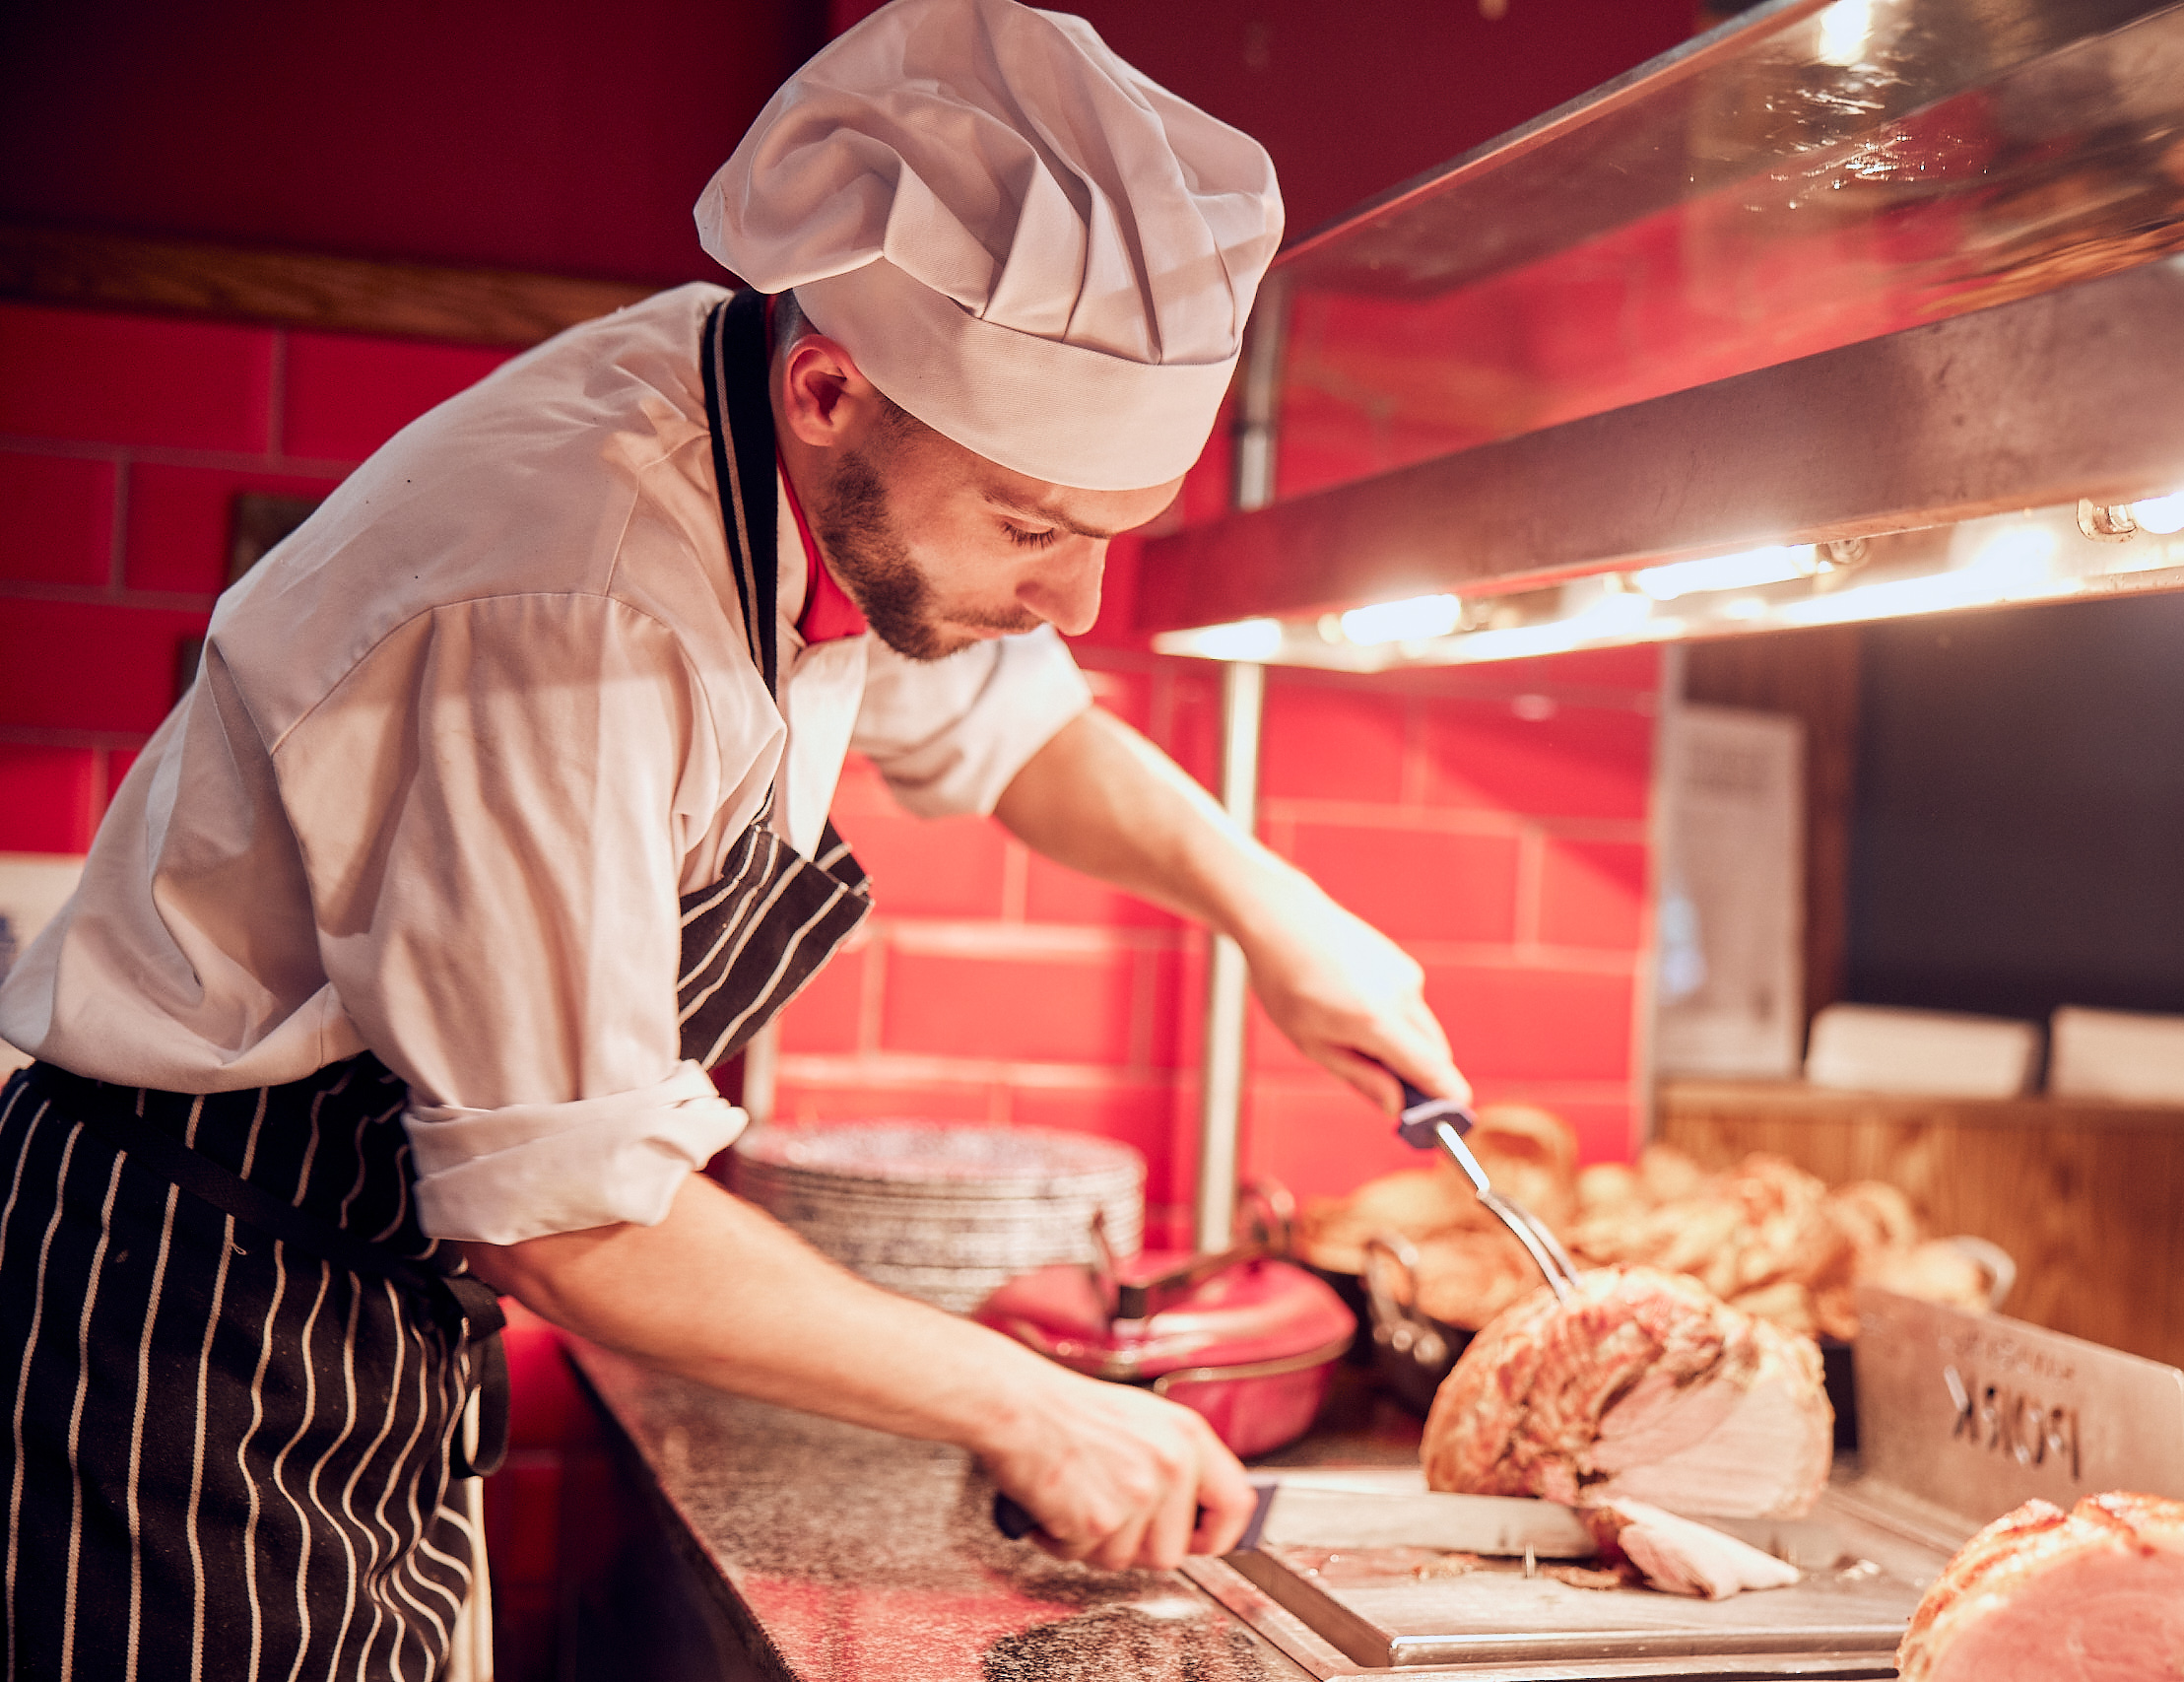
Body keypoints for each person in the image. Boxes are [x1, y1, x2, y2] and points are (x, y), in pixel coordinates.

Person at [0, 2, 1471, 1674]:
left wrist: (1282, 922)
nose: (1072, 600)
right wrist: (1028, 1408)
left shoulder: (786, 450)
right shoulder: (574, 591)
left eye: (1113, 536)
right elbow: (565, 1213)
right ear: (832, 389)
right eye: (1036, 528)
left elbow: (1018, 730)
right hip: (185, 1339)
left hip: (362, 1300)